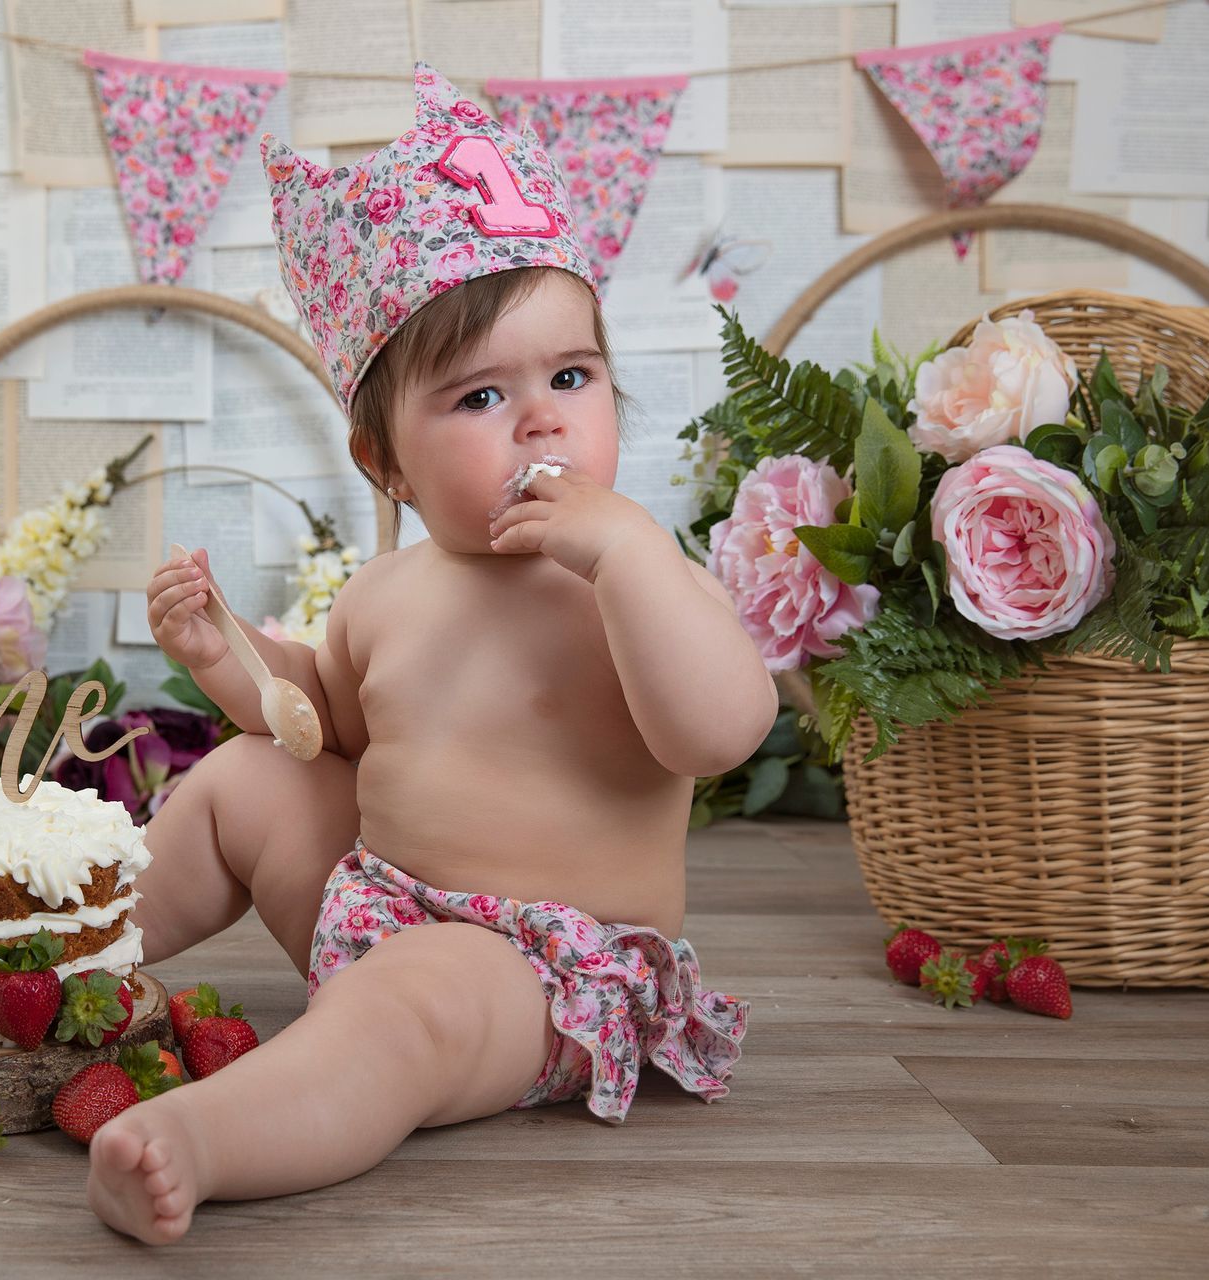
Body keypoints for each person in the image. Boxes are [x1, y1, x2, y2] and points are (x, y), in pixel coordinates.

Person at [90, 63, 774, 1245]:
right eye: (478, 397)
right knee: (250, 779)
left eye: (571, 377)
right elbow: (321, 727)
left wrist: (625, 555)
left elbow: (719, 729)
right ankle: (66, 952)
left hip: (544, 975)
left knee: (406, 1007)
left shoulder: (639, 579)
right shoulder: (389, 591)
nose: (541, 419)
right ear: (385, 463)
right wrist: (231, 653)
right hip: (375, 910)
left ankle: (204, 1137)